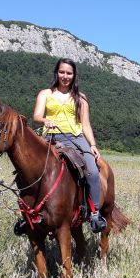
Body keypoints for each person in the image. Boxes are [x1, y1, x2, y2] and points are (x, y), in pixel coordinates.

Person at [33, 57, 106, 232]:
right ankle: (28, 213)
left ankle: (94, 213)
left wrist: (93, 145)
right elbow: (36, 117)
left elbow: (86, 124)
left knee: (93, 172)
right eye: (62, 72)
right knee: (30, 170)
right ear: (57, 73)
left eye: (69, 73)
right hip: (51, 137)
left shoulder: (81, 98)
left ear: (74, 76)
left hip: (76, 138)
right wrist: (45, 120)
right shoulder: (45, 94)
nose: (65, 76)